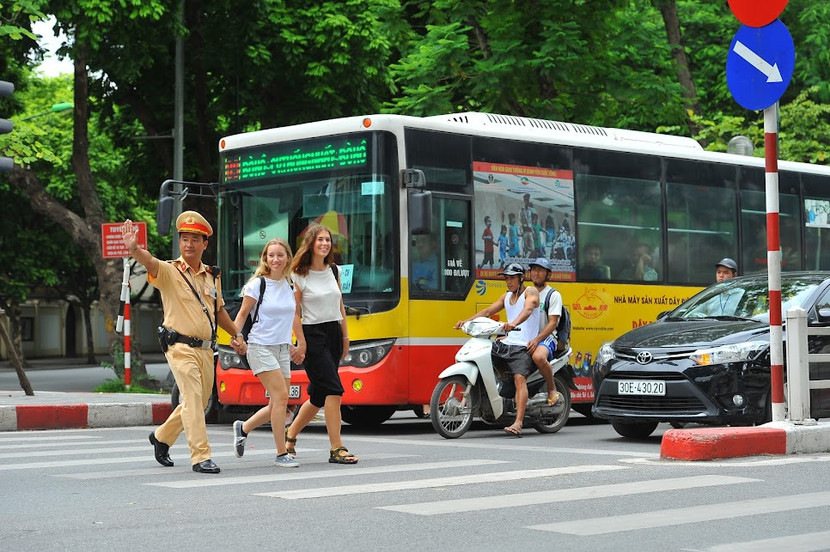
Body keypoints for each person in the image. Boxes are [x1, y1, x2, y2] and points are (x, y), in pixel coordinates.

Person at [122, 211, 242, 474]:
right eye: (184, 239)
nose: (188, 244)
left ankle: (161, 437)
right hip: (179, 347)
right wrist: (134, 249)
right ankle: (201, 456)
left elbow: (218, 312)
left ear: (204, 244)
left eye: (194, 239)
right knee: (191, 397)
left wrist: (236, 334)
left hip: (206, 349)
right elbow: (151, 262)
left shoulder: (212, 276)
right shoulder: (170, 271)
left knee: (197, 403)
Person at [286, 223, 358, 464]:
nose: (325, 244)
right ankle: (336, 448)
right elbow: (294, 313)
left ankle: (291, 434)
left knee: (319, 395)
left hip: (334, 333)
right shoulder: (298, 274)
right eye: (320, 240)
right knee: (335, 389)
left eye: (328, 239)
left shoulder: (334, 270)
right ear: (311, 243)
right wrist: (301, 343)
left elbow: (340, 306)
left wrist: (345, 338)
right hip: (312, 335)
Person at [231, 238, 301, 468]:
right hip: (259, 347)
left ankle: (244, 427)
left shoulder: (292, 285)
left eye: (280, 255)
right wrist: (236, 335)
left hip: (282, 348)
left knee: (278, 403)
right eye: (271, 255)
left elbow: (294, 317)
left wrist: (299, 343)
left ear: (288, 258)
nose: (275, 259)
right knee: (281, 397)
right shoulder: (257, 285)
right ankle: (281, 453)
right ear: (265, 258)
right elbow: (241, 315)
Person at [454, 262, 540, 436]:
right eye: (506, 278)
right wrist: (467, 321)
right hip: (506, 343)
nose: (509, 282)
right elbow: (487, 311)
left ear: (521, 278)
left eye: (512, 278)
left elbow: (529, 308)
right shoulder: (506, 297)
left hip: (523, 345)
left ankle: (518, 422)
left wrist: (514, 323)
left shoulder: (530, 291)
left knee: (519, 379)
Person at [525, 257, 562, 406]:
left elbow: (553, 323)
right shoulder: (527, 292)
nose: (536, 273)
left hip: (547, 337)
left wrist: (537, 339)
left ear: (548, 274)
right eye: (534, 269)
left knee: (539, 357)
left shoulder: (553, 295)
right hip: (528, 336)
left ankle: (551, 387)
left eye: (540, 270)